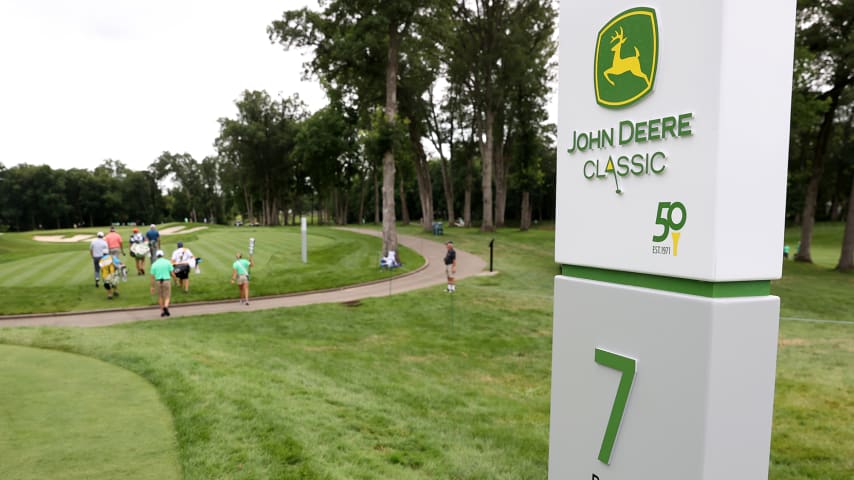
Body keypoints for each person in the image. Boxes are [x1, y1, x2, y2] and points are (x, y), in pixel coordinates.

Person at [150, 250, 174, 317]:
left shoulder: (154, 264)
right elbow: (172, 273)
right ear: (163, 255)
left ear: (157, 256)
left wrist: (152, 286)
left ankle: (163, 311)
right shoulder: (167, 262)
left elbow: (152, 277)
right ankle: (166, 306)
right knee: (167, 296)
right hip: (166, 280)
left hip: (158, 281)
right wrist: (175, 279)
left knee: (160, 296)